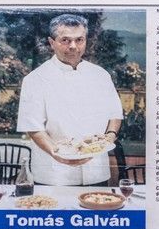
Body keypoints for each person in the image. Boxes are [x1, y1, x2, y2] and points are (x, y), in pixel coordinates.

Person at [15, 14, 124, 186]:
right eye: (65, 40)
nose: (73, 46)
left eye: (79, 40)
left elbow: (115, 113)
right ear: (52, 42)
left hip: (96, 170)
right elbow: (33, 127)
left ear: (85, 41)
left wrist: (109, 136)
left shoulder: (101, 75)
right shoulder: (35, 79)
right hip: (53, 173)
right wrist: (56, 153)